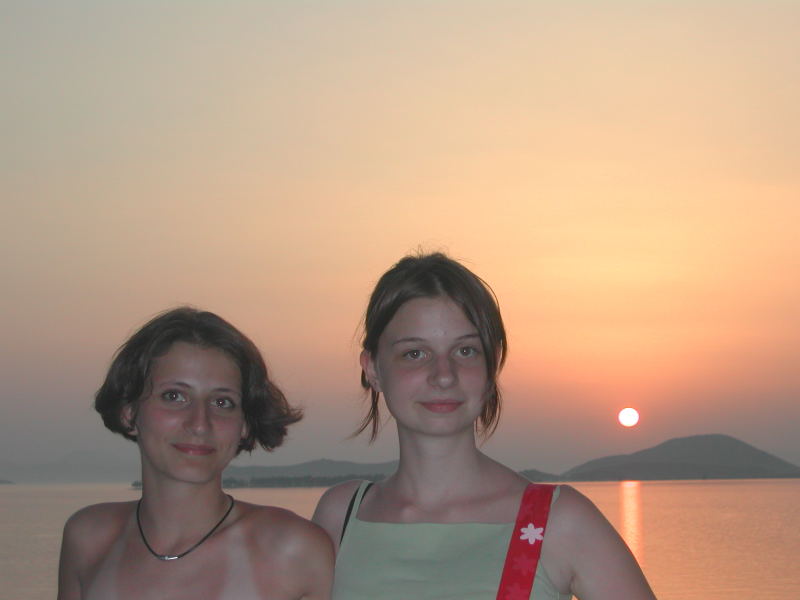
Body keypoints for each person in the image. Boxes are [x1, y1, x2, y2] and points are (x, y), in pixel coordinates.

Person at [313, 252, 656, 600]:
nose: (444, 375)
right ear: (372, 369)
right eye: (415, 353)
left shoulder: (557, 522)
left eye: (465, 351)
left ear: (492, 367)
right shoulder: (341, 518)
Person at [58, 307, 333, 600]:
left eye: (222, 402)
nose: (200, 423)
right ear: (129, 412)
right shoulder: (89, 538)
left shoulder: (295, 551)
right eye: (174, 396)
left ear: (244, 424)